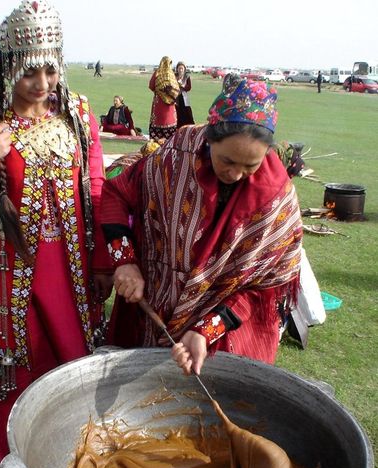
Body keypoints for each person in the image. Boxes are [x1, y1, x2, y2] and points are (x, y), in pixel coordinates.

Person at [0, 0, 113, 464]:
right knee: (18, 362)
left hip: (73, 271)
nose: (41, 81)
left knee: (75, 353)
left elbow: (98, 188)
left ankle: (76, 449)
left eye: (50, 68)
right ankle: (19, 457)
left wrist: (103, 260)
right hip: (14, 270)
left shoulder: (78, 115)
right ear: (9, 64)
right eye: (29, 70)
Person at [101, 76, 303, 375]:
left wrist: (206, 330)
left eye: (250, 166)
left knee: (208, 408)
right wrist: (124, 262)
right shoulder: (175, 155)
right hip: (152, 304)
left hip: (223, 330)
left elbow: (264, 289)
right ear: (209, 138)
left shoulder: (276, 198)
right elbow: (116, 194)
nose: (235, 174)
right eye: (227, 161)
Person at [148, 56, 180, 140]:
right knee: (169, 124)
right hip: (170, 105)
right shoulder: (171, 75)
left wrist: (159, 91)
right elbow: (176, 90)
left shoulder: (157, 73)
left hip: (158, 103)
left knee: (156, 127)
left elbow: (151, 86)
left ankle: (155, 147)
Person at [175, 61, 195, 128]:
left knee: (186, 112)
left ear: (184, 69)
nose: (180, 70)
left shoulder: (187, 77)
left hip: (184, 97)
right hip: (176, 97)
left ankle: (189, 127)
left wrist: (182, 85)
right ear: (177, 69)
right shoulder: (175, 76)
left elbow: (189, 88)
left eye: (182, 68)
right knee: (177, 112)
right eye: (179, 68)